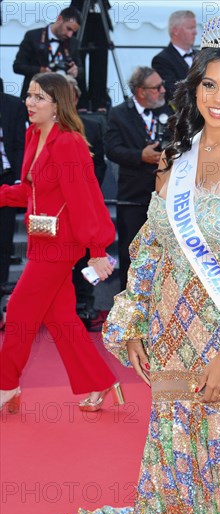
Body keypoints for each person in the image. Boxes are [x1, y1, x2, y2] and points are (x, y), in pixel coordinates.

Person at [55, 13, 220, 514]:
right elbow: (152, 245)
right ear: (194, 86)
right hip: (165, 329)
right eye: (209, 84)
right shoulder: (173, 158)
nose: (219, 98)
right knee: (172, 450)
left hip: (219, 331)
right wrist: (132, 319)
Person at [0, 72, 123, 414]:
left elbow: (85, 199)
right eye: (29, 95)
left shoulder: (68, 142)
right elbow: (30, 190)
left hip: (60, 245)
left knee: (20, 313)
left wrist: (97, 249)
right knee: (61, 320)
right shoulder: (33, 135)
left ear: (58, 105)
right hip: (40, 239)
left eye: (39, 97)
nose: (29, 102)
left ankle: (6, 386)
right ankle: (100, 382)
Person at [104, 66, 171, 291]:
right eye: (157, 87)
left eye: (162, 85)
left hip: (165, 197)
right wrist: (140, 156)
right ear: (141, 91)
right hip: (132, 198)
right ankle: (129, 307)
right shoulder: (119, 113)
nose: (163, 90)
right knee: (131, 253)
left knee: (163, 254)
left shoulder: (170, 113)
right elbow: (112, 149)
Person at [64, 74, 108, 328]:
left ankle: (85, 303)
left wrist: (88, 190)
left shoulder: (92, 125)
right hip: (58, 208)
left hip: (86, 204)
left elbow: (99, 163)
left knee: (88, 256)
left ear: (77, 98)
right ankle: (61, 306)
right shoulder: (47, 126)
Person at [13, 7, 83, 100]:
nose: (69, 35)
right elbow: (18, 66)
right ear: (59, 19)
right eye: (68, 29)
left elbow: (81, 70)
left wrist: (76, 70)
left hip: (61, 99)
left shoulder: (73, 43)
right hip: (34, 96)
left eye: (73, 32)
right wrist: (41, 70)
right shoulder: (33, 36)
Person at [0, 79, 28, 291]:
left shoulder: (13, 105)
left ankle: (1, 285)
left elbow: (20, 145)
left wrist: (20, 178)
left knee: (3, 238)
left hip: (7, 178)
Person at [69, 0, 112, 112]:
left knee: (100, 60)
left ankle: (99, 100)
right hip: (79, 11)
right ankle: (80, 100)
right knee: (78, 58)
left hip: (99, 10)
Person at [152, 10, 197, 105]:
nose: (195, 32)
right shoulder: (162, 60)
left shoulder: (202, 55)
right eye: (190, 28)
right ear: (175, 31)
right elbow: (172, 92)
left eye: (195, 28)